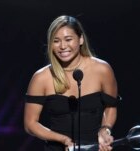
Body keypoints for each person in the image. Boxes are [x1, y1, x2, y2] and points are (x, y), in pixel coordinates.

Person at [24, 15, 120, 151]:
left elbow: (111, 106)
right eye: (56, 41)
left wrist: (105, 129)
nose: (63, 46)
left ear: (80, 39)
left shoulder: (102, 70)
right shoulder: (41, 78)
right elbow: (30, 124)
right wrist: (62, 139)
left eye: (68, 39)